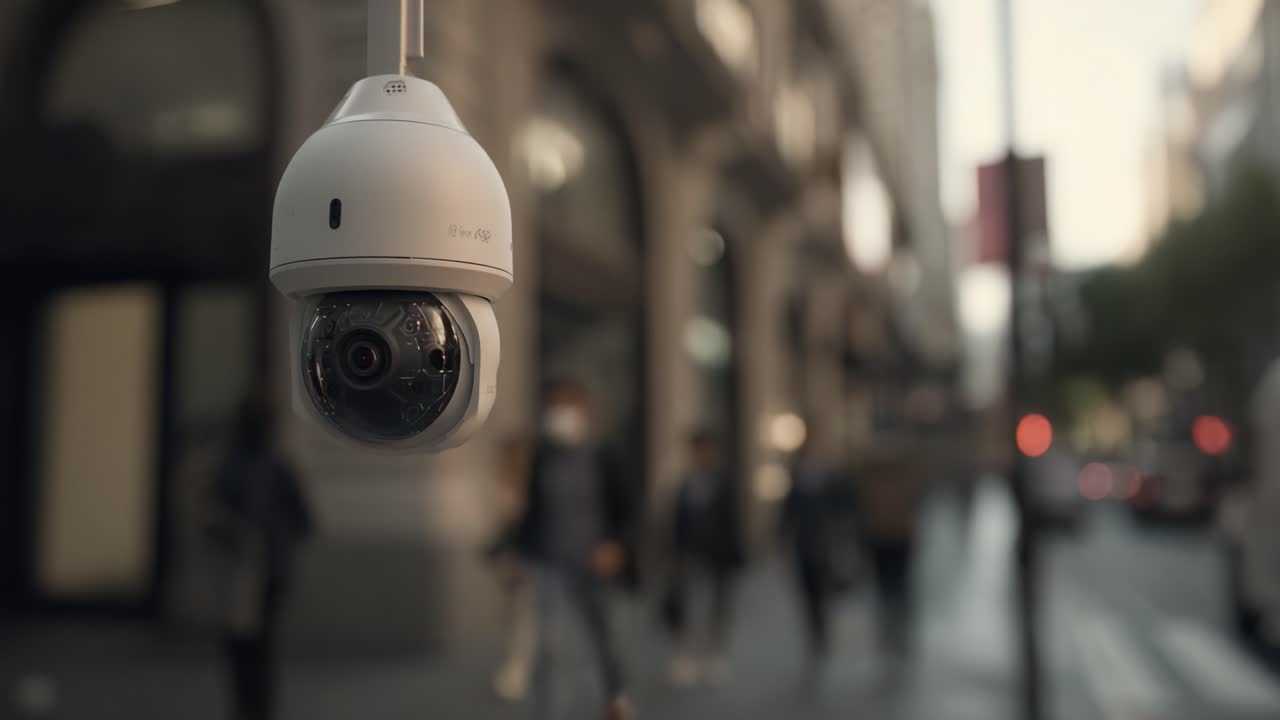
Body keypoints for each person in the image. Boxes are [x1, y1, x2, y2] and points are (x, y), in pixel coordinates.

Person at [515, 380, 635, 720]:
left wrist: (614, 544)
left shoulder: (603, 456)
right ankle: (548, 710)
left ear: (585, 411)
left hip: (594, 563)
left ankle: (617, 695)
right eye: (554, 407)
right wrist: (522, 554)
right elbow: (533, 510)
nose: (560, 415)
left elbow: (625, 507)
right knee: (550, 644)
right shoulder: (543, 458)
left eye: (568, 406)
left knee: (606, 636)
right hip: (552, 562)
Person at [207, 398, 313, 720]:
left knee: (248, 647)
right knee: (254, 648)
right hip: (256, 569)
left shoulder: (239, 466)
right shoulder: (266, 466)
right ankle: (254, 709)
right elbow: (303, 521)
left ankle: (251, 709)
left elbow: (302, 520)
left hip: (258, 570)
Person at [662, 429, 744, 687]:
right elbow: (678, 522)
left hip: (717, 556)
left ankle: (715, 654)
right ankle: (688, 657)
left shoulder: (724, 483)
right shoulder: (686, 485)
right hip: (691, 555)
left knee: (718, 606)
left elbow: (732, 521)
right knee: (689, 606)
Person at [854, 444, 925, 659]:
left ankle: (893, 626)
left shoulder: (876, 483)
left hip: (889, 539)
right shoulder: (896, 482)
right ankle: (894, 626)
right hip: (890, 539)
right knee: (895, 585)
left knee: (891, 586)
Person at [780, 433, 841, 669]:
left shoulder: (829, 477)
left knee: (821, 585)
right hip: (803, 543)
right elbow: (788, 511)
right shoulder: (796, 477)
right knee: (806, 587)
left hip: (823, 542)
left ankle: (822, 626)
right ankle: (814, 627)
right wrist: (784, 539)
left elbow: (840, 508)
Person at [488, 433, 538, 702]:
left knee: (523, 616)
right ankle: (515, 665)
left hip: (526, 558)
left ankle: (518, 668)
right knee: (511, 615)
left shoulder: (530, 485)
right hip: (507, 558)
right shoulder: (502, 484)